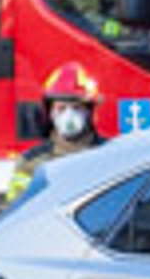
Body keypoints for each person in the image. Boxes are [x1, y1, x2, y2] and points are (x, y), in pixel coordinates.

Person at [7, 62, 107, 203]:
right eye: (61, 108)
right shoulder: (30, 162)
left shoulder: (110, 154)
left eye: (77, 107)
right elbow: (15, 211)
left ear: (89, 112)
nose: (69, 115)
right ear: (50, 113)